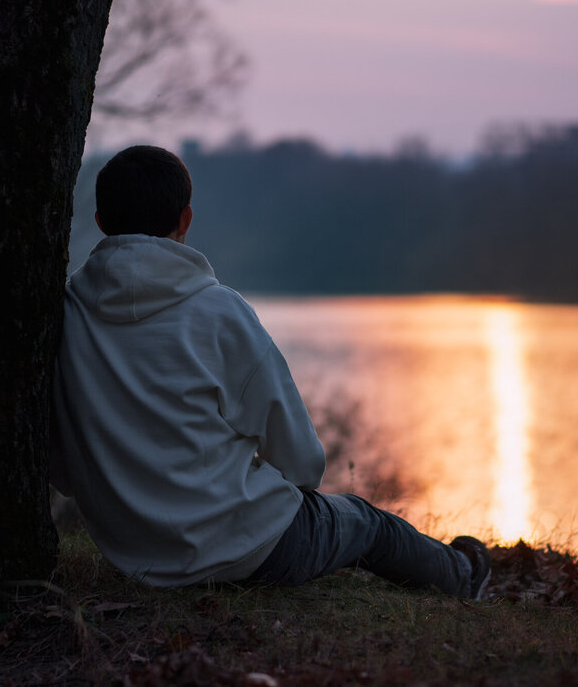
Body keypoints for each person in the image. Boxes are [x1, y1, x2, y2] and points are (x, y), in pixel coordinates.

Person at [50, 145, 491, 598]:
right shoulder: (218, 311)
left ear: (101, 222)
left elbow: (63, 471)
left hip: (135, 557)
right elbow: (303, 461)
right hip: (251, 549)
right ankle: (464, 575)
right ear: (185, 220)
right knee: (369, 524)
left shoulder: (63, 315)